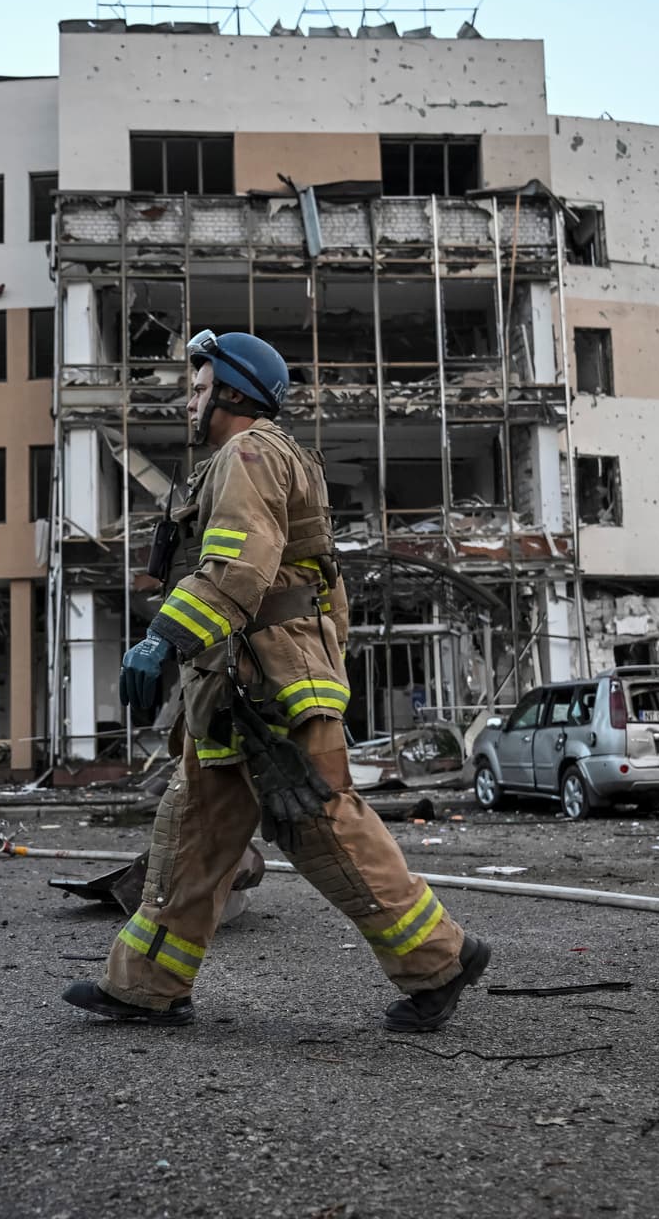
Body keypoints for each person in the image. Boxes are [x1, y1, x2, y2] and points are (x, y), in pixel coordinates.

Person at [62, 330, 490, 1032]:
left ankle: (442, 960)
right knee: (192, 837)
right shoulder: (242, 461)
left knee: (321, 828)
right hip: (236, 689)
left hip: (272, 689)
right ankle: (146, 987)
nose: (188, 400)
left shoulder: (250, 453)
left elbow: (238, 567)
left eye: (198, 388)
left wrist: (159, 640)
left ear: (233, 390)